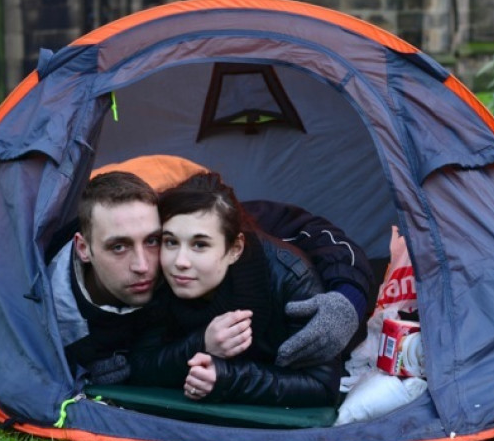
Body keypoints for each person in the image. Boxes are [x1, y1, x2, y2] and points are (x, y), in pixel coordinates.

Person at [48, 169, 374, 384]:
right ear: (84, 249)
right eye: (118, 247)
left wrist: (349, 297)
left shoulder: (193, 225)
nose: (144, 265)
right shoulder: (48, 316)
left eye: (154, 240)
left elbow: (316, 236)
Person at [128, 171, 340, 406]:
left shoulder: (291, 278)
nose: (180, 261)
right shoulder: (160, 272)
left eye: (199, 245)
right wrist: (202, 344)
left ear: (234, 249)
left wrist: (228, 377)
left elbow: (321, 385)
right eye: (171, 242)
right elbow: (138, 364)